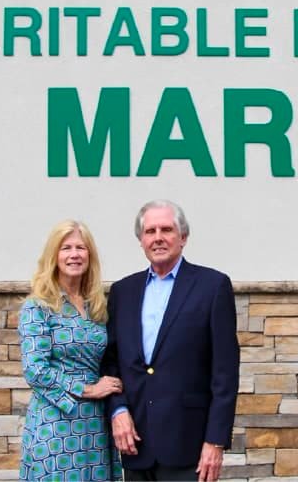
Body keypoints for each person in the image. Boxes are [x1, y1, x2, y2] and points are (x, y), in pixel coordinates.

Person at [102, 200, 240, 482]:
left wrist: (215, 441)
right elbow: (111, 361)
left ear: (183, 237)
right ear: (141, 240)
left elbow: (225, 374)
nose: (158, 237)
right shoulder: (122, 292)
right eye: (150, 231)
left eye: (167, 229)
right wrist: (118, 409)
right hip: (135, 444)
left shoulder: (212, 287)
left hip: (188, 446)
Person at [18, 220, 124, 481]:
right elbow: (35, 370)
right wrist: (88, 389)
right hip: (56, 423)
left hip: (94, 423)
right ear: (54, 256)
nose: (74, 254)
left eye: (81, 247)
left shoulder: (97, 307)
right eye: (66, 248)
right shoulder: (38, 307)